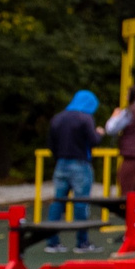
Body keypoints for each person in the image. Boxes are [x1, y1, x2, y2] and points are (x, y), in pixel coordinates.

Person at [44, 90, 102, 253]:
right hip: (80, 164)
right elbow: (93, 141)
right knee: (80, 202)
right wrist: (99, 133)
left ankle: (52, 242)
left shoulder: (58, 118)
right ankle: (82, 242)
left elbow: (51, 144)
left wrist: (59, 157)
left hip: (61, 163)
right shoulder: (85, 118)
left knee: (58, 202)